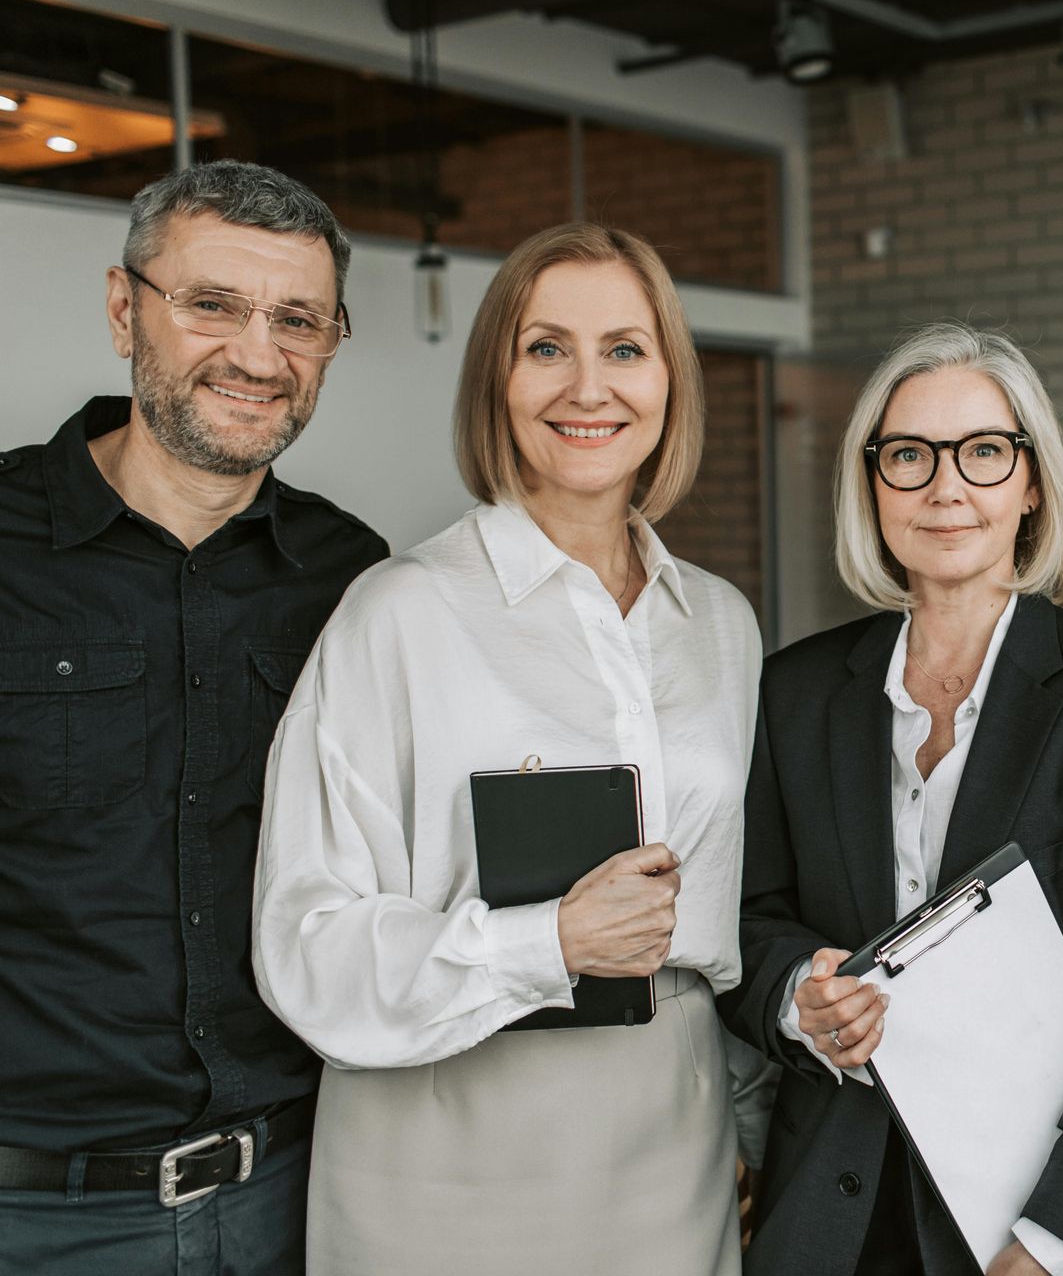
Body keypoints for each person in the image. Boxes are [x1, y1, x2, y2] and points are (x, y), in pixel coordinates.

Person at [251, 223, 760, 1275]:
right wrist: (549, 941)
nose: (589, 386)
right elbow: (306, 941)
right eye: (545, 347)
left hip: (678, 1137)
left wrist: (758, 1114)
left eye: (626, 347)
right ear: (497, 379)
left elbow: (732, 917)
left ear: (670, 379)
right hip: (445, 1149)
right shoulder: (397, 613)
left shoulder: (720, 622)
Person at [723, 323, 1063, 1276]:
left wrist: (1056, 1239)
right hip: (838, 1209)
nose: (945, 486)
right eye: (908, 455)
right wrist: (801, 997)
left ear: (1033, 483)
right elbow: (749, 921)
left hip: (1044, 1214)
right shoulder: (794, 691)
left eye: (984, 453)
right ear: (871, 484)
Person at [0, 160, 386, 1273]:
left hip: (302, 1189)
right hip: (37, 1214)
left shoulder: (351, 573)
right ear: (127, 308)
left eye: (298, 319)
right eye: (213, 303)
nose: (259, 355)